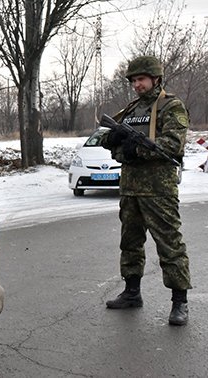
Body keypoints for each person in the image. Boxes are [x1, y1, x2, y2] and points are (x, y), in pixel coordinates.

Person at [100, 55, 191, 326]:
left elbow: (172, 143)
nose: (137, 84)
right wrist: (114, 139)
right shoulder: (132, 109)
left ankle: (179, 302)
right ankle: (132, 292)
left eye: (141, 79)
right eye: (134, 80)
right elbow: (107, 137)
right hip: (130, 188)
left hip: (158, 190)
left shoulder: (170, 106)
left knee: (170, 245)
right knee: (130, 243)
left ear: (155, 79)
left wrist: (135, 149)